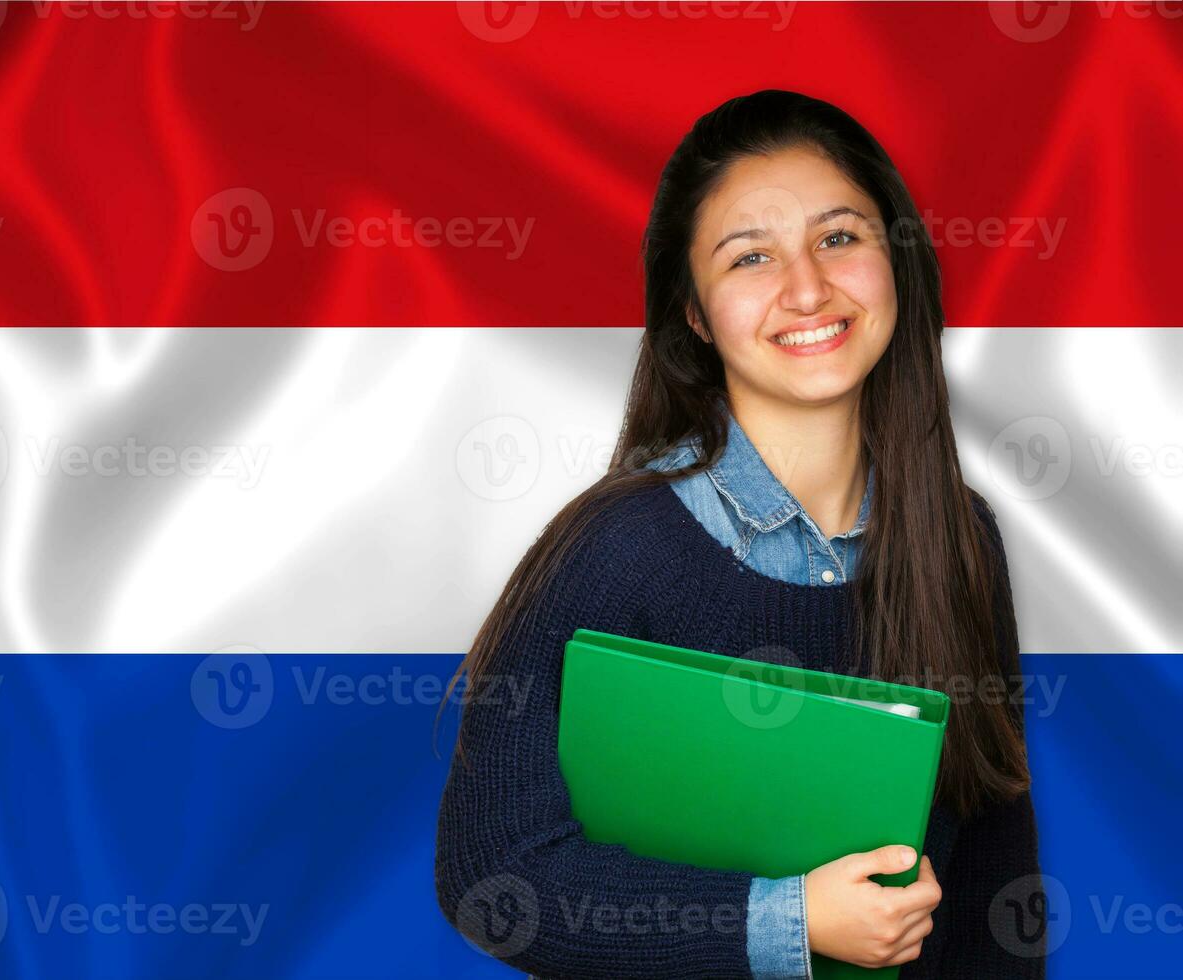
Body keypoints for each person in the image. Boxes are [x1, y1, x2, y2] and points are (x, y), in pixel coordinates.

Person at [435, 89, 1044, 978]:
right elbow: (494, 877)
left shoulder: (959, 538)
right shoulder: (613, 550)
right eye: (750, 257)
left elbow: (993, 869)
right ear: (692, 312)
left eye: (839, 238)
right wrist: (788, 920)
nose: (807, 288)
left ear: (897, 262)